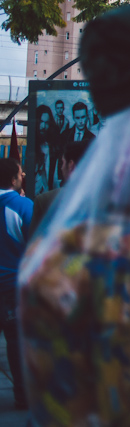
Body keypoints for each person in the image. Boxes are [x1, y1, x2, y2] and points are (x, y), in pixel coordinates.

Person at [0, 157, 32, 410]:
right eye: (20, 173)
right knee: (15, 340)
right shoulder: (23, 206)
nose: (23, 176)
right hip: (12, 286)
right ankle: (22, 395)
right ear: (13, 179)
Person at [26, 139, 91, 242]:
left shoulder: (46, 201)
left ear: (71, 165)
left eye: (62, 162)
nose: (61, 168)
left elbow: (33, 248)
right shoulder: (112, 201)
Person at [33, 105, 60, 194]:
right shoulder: (32, 148)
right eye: (41, 121)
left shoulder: (51, 148)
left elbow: (55, 178)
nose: (43, 126)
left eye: (47, 123)